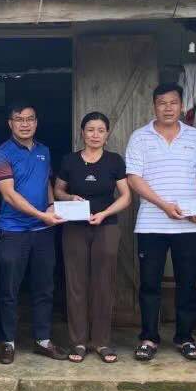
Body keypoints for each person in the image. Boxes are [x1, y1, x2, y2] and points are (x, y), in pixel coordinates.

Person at [125, 83, 196, 362]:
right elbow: (134, 179)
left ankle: (185, 337)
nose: (167, 108)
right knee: (149, 284)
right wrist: (164, 205)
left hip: (188, 224)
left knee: (187, 282)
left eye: (173, 102)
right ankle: (149, 337)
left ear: (181, 106)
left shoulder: (195, 136)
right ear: (154, 106)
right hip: (151, 224)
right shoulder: (139, 137)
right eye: (162, 103)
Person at [54, 112, 132, 364]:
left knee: (103, 284)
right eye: (90, 129)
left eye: (100, 130)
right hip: (74, 225)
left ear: (107, 134)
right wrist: (69, 198)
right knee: (75, 284)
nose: (95, 134)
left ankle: (101, 342)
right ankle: (77, 342)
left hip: (106, 225)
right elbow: (58, 189)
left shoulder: (114, 161)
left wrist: (105, 213)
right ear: (82, 133)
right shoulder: (70, 160)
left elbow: (126, 196)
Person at [0, 102, 67, 363]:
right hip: (13, 230)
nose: (25, 124)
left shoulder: (44, 151)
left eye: (30, 119)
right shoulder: (1, 153)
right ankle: (8, 341)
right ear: (10, 124)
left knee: (44, 286)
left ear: (36, 122)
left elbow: (46, 182)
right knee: (9, 288)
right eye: (19, 119)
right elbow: (9, 195)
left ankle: (43, 340)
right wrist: (42, 215)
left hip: (43, 231)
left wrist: (49, 206)